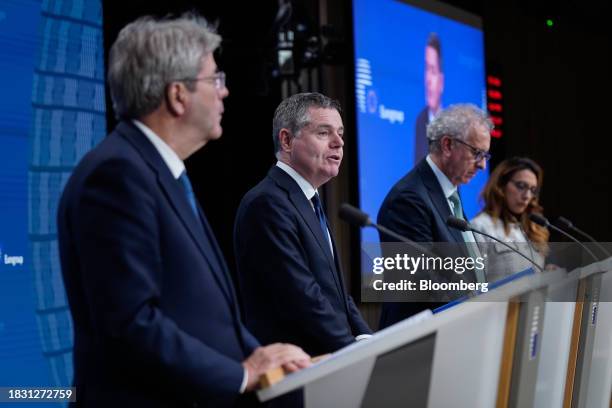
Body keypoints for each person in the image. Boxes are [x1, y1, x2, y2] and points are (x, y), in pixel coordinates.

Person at [57, 14, 309, 407]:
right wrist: (242, 373)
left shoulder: (161, 173)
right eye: (215, 80)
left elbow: (206, 313)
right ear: (177, 95)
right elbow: (130, 322)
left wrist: (274, 362)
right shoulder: (116, 174)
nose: (225, 92)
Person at [234, 92, 372, 356]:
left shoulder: (309, 200)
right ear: (287, 140)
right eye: (324, 133)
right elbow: (301, 295)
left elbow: (339, 297)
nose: (339, 143)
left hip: (330, 362)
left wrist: (368, 339)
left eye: (340, 133)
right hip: (299, 371)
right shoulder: (267, 203)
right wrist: (353, 350)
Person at [377, 103, 492, 328]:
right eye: (477, 153)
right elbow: (421, 285)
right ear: (447, 145)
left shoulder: (450, 193)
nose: (482, 165)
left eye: (486, 155)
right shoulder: (408, 200)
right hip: (421, 341)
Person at [471, 157, 549, 280]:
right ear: (500, 185)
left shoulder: (534, 228)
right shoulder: (480, 226)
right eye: (521, 186)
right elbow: (475, 284)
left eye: (532, 190)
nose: (527, 196)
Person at [414, 32, 444, 164]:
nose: (428, 80)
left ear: (441, 81)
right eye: (426, 69)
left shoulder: (453, 126)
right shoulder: (420, 121)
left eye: (432, 70)